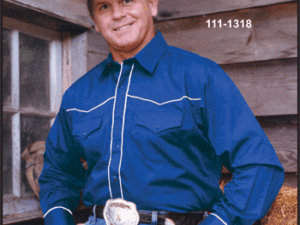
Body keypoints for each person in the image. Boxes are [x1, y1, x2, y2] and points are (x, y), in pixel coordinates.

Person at [38, 0, 285, 224]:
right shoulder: (78, 95)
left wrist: (218, 222)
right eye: (104, 6)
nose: (117, 14)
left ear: (152, 5)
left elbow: (260, 166)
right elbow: (57, 175)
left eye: (126, 1)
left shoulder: (200, 78)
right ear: (95, 21)